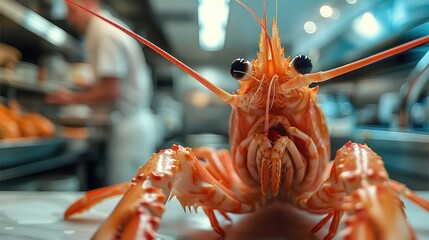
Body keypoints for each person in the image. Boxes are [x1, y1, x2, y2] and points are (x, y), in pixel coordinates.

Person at [46, 0, 160, 185]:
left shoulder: (103, 33)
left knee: (125, 194)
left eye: (72, 10)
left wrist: (70, 98)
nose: (69, 18)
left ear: (89, 4)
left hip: (128, 130)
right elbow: (112, 85)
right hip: (129, 126)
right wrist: (88, 89)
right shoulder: (103, 29)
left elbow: (110, 92)